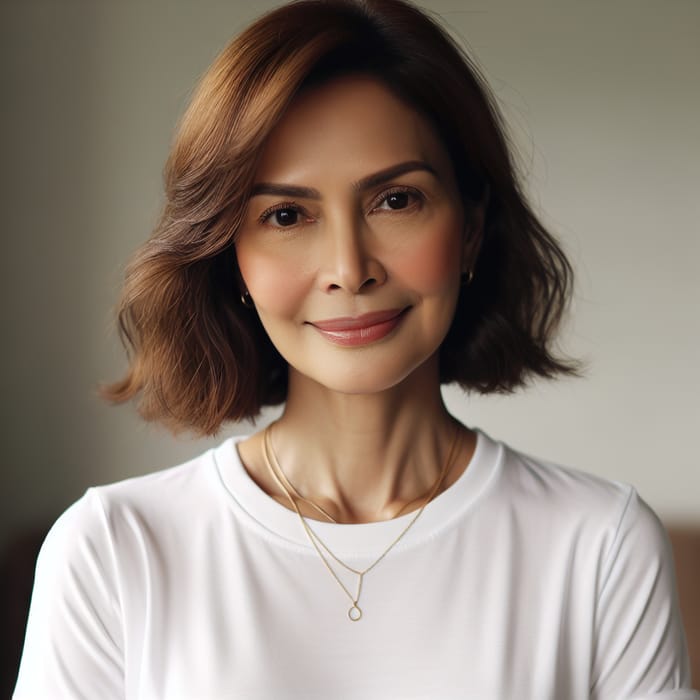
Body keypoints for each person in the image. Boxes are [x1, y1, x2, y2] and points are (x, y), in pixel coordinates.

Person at [13, 0, 697, 698]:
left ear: (470, 227)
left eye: (396, 201)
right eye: (286, 215)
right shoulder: (114, 548)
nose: (349, 266)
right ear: (230, 257)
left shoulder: (599, 544)